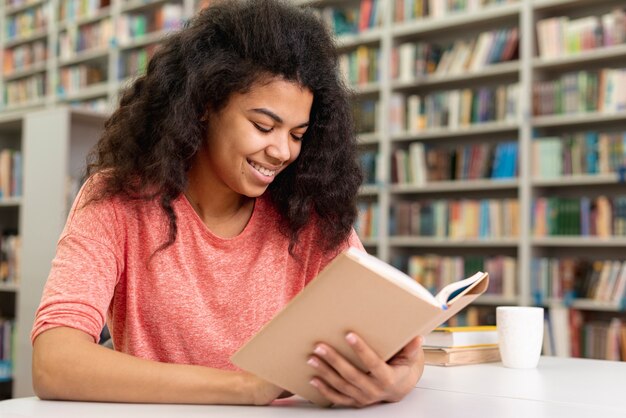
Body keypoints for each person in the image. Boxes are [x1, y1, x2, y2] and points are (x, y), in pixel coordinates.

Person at [30, 0, 424, 408]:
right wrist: (247, 388)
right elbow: (54, 362)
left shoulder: (307, 208)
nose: (281, 151)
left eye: (297, 133)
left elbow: (399, 343)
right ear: (204, 106)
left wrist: (398, 380)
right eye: (263, 126)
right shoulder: (117, 201)